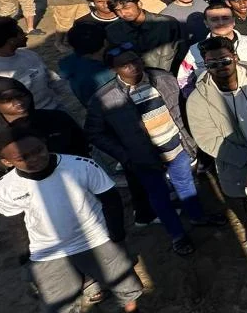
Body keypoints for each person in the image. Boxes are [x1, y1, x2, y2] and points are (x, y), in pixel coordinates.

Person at [0, 126, 150, 313]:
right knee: (56, 306)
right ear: (7, 162)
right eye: (23, 157)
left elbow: (110, 199)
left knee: (120, 278)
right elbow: (15, 224)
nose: (35, 158)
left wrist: (116, 237)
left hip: (94, 238)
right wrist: (25, 257)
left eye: (38, 150)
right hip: (47, 250)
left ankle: (132, 312)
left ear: (45, 143)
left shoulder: (80, 166)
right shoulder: (4, 189)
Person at [86, 43, 225, 255]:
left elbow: (183, 107)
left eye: (135, 60)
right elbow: (94, 133)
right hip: (143, 160)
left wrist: (189, 139)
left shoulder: (164, 78)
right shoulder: (104, 98)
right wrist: (125, 156)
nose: (133, 66)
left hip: (176, 148)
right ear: (113, 69)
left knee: (186, 185)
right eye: (125, 65)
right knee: (159, 198)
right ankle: (177, 235)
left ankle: (197, 217)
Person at [185, 36, 247, 263]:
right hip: (237, 166)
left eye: (225, 61)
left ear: (236, 58)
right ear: (205, 65)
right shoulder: (198, 99)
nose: (220, 67)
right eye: (212, 64)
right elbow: (207, 138)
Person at [176, 1, 247, 94]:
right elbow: (182, 79)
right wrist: (198, 98)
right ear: (206, 23)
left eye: (225, 18)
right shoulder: (195, 50)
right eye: (214, 19)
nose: (221, 23)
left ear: (233, 21)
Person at [0, 16, 71, 111]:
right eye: (20, 33)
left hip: (56, 109)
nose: (25, 35)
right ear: (11, 40)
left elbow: (50, 78)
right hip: (31, 118)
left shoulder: (28, 54)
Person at [104, 0, 184, 73]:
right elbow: (114, 59)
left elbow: (180, 52)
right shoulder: (113, 31)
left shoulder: (166, 24)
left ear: (139, 4)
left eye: (127, 8)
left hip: (169, 74)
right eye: (118, 10)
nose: (123, 13)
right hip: (136, 77)